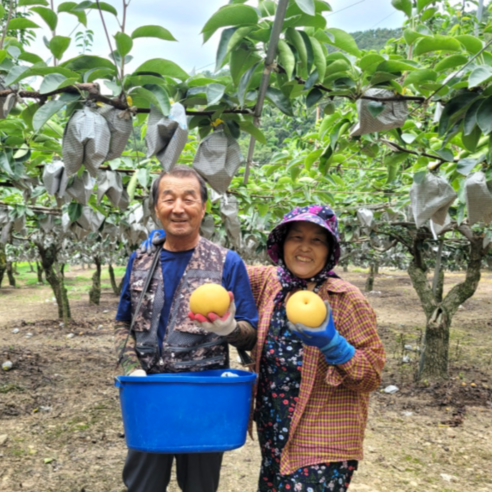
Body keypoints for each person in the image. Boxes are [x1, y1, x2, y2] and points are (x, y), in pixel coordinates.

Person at [114, 165, 258, 492]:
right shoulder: (140, 261)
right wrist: (130, 367)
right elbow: (123, 321)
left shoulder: (226, 262)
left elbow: (251, 331)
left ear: (203, 207)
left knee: (200, 486)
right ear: (156, 208)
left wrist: (229, 329)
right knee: (143, 485)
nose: (178, 208)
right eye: (169, 199)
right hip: (149, 392)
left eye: (189, 199)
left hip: (203, 395)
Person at [236, 205, 384, 491]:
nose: (305, 247)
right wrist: (172, 243)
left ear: (330, 250)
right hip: (275, 434)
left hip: (322, 441)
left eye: (317, 240)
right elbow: (226, 269)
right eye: (296, 237)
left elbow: (372, 376)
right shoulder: (270, 282)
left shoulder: (346, 298)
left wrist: (334, 345)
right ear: (281, 243)